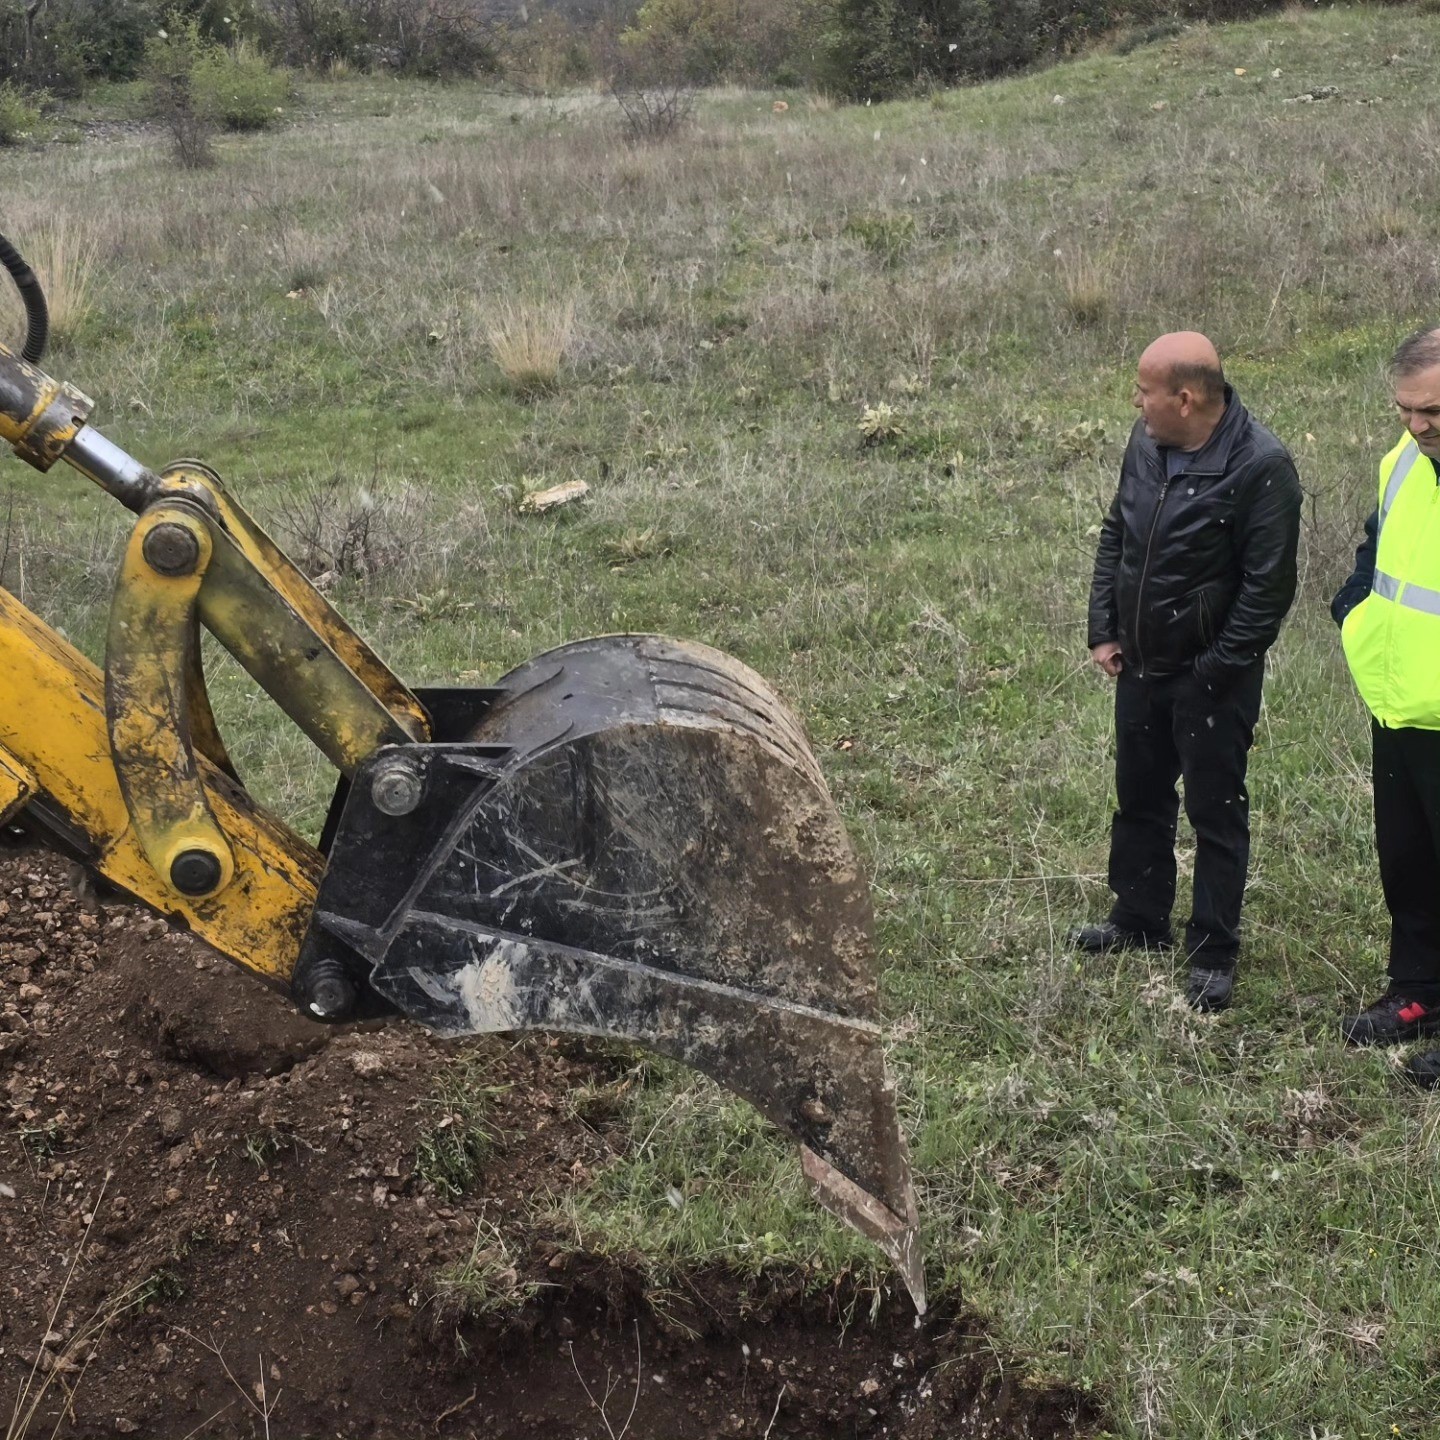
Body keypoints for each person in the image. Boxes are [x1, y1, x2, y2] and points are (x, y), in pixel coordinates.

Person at [1071, 332, 1302, 1011]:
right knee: (1139, 796)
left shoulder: (1263, 467)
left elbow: (1268, 589)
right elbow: (1118, 532)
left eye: (1144, 392)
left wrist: (1214, 669)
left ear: (1186, 397)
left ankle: (1212, 951)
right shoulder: (1145, 444)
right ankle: (1138, 920)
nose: (1136, 404)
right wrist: (1105, 629)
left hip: (1211, 678)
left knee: (1215, 812)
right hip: (1141, 663)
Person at [1334, 327, 1440, 1084]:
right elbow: (1379, 552)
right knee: (1407, 861)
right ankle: (1419, 994)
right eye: (1406, 410)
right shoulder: (1403, 461)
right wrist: (1353, 606)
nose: (1418, 425)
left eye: (1432, 410)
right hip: (1400, 702)